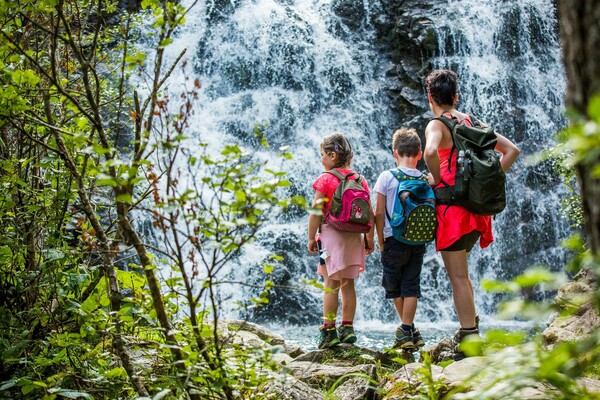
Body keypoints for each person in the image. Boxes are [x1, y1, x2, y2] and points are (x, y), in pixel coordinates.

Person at [423, 69, 520, 358]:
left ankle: (468, 338)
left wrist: (438, 179)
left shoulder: (436, 125)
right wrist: (487, 182)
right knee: (462, 275)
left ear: (431, 98)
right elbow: (511, 150)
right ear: (456, 96)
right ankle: (469, 326)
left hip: (452, 212)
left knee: (458, 277)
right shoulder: (472, 121)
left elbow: (429, 153)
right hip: (476, 212)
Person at [307, 133, 375, 349]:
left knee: (331, 285)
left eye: (322, 155)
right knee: (349, 285)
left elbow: (316, 210)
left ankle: (329, 331)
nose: (321, 159)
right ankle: (348, 328)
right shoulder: (360, 179)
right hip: (354, 237)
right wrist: (369, 238)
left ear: (333, 155)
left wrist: (310, 237)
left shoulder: (326, 179)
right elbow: (369, 213)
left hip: (331, 236)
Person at [373, 128, 427, 351]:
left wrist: (379, 239)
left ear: (395, 153)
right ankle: (409, 328)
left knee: (394, 286)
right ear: (420, 154)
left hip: (392, 239)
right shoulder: (424, 178)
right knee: (411, 286)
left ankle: (406, 329)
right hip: (417, 240)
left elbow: (377, 212)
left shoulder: (387, 176)